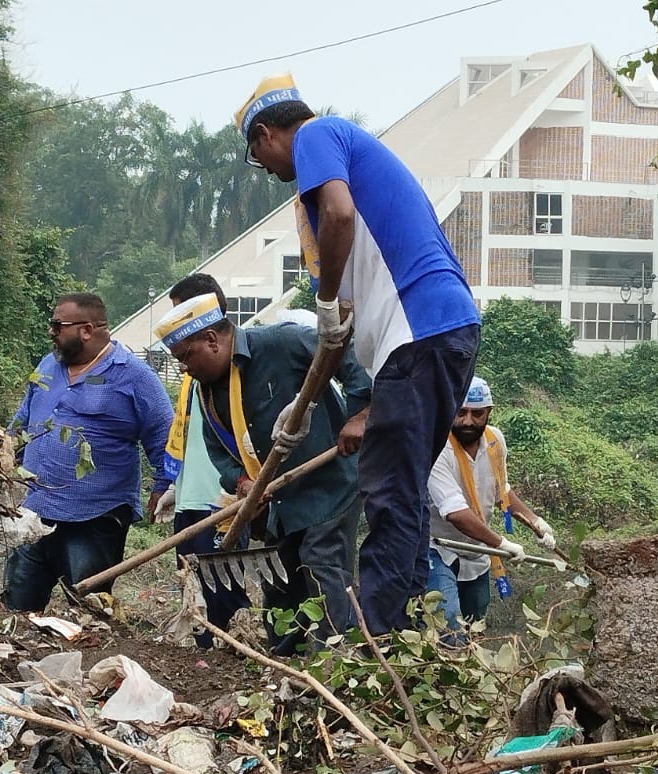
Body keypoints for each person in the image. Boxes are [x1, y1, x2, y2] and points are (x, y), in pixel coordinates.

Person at [235, 74, 481, 635]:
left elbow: (340, 218)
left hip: (419, 333)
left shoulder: (317, 135)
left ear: (268, 134)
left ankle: (380, 638)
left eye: (259, 156)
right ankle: (411, 634)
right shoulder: (344, 213)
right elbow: (336, 332)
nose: (271, 172)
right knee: (405, 491)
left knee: (388, 493)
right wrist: (301, 409)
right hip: (442, 333)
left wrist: (321, 298)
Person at [160, 291, 373, 654]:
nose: (182, 366)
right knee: (281, 578)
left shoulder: (282, 341)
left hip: (328, 485)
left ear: (211, 340)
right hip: (279, 502)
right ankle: (283, 658)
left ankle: (332, 661)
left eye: (184, 356)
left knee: (321, 566)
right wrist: (242, 483)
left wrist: (361, 413)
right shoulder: (205, 391)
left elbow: (348, 359)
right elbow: (218, 450)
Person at [2, 293, 174, 612]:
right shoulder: (48, 365)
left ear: (87, 329)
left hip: (95, 517)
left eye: (57, 325)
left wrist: (163, 485)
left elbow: (164, 435)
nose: (51, 331)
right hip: (35, 510)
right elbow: (23, 417)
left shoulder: (134, 376)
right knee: (17, 605)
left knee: (86, 610)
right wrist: (4, 449)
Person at [151, 274, 250, 648]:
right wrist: (171, 483)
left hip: (222, 498)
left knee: (223, 585)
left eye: (181, 314)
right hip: (191, 496)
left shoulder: (234, 366)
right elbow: (186, 432)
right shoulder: (193, 369)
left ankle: (233, 650)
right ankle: (202, 649)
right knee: (191, 584)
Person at [425, 377, 559, 636]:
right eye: (461, 412)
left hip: (476, 549)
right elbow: (454, 512)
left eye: (477, 413)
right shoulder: (437, 447)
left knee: (475, 625)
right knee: (447, 625)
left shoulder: (494, 440)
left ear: (489, 412)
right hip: (438, 547)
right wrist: (501, 544)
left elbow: (501, 490)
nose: (467, 421)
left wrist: (535, 523)